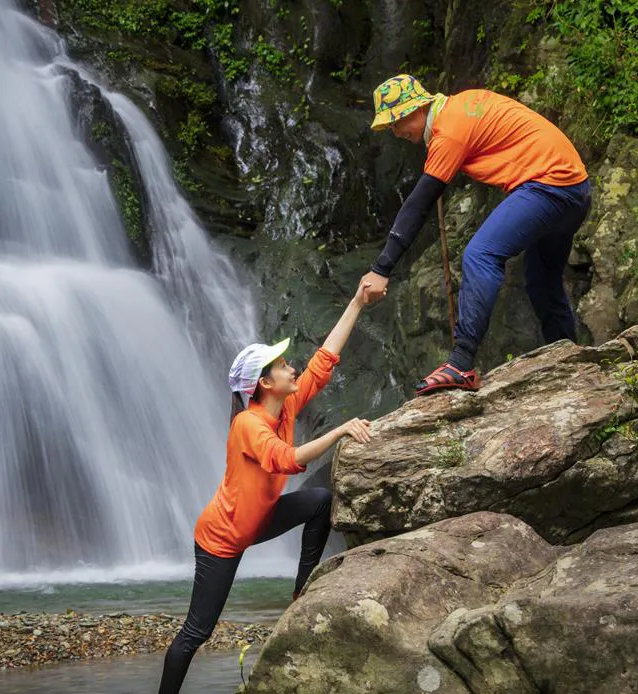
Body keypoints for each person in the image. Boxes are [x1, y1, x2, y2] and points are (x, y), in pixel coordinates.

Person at [158, 279, 376, 693]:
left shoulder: (286, 404)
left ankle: (301, 595)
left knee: (319, 502)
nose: (292, 368)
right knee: (197, 632)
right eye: (282, 366)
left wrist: (357, 303)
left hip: (258, 519)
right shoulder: (248, 425)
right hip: (221, 539)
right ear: (264, 384)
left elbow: (323, 361)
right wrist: (341, 431)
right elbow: (286, 460)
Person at [359, 74, 593, 396]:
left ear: (415, 110)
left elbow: (418, 204)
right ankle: (570, 359)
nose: (398, 134)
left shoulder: (449, 130)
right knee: (541, 280)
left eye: (396, 124)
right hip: (576, 188)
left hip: (551, 186)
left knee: (480, 254)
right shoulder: (462, 106)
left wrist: (382, 268)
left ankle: (461, 363)